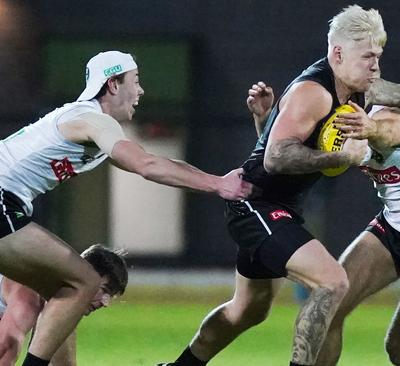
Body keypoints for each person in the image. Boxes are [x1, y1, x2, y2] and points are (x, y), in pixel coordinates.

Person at [159, 5, 400, 366]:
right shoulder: (316, 93)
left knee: (249, 311)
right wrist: (338, 157)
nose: (375, 66)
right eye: (367, 56)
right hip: (257, 205)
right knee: (331, 285)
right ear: (337, 53)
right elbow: (274, 160)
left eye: (378, 56)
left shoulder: (364, 93)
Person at [0, 50, 255, 366]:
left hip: (9, 206)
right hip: (3, 201)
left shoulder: (90, 125)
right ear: (113, 84)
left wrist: (213, 180)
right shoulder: (93, 120)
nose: (141, 91)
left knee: (63, 290)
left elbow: (156, 162)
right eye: (136, 81)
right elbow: (146, 165)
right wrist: (219, 185)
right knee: (83, 281)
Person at [250, 81, 400, 366]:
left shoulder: (391, 115)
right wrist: (265, 122)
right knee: (329, 305)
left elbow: (391, 130)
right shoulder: (336, 122)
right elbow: (284, 166)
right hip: (393, 226)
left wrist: (371, 130)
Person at [0, 244, 128, 366]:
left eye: (110, 296)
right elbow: (5, 348)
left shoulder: (60, 305)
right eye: (104, 290)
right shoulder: (30, 298)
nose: (105, 303)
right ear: (85, 278)